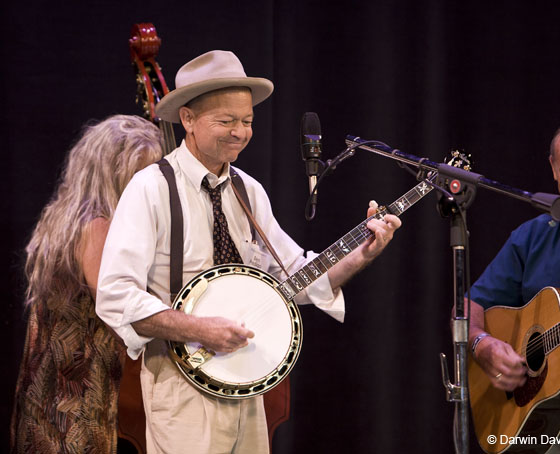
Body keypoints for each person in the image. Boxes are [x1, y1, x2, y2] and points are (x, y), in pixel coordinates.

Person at [95, 50, 401, 454]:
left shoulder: (248, 190)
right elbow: (115, 294)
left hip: (247, 382)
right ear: (187, 119)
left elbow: (299, 274)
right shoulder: (151, 188)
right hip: (181, 383)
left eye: (247, 121)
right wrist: (199, 330)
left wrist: (362, 254)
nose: (240, 132)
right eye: (226, 121)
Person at [10, 115, 163, 454]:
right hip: (74, 404)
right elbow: (118, 308)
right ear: (112, 172)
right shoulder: (98, 227)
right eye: (139, 174)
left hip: (47, 394)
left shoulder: (61, 218)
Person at [467, 114, 560, 453]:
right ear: (553, 168)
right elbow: (469, 306)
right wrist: (482, 345)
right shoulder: (532, 235)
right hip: (543, 426)